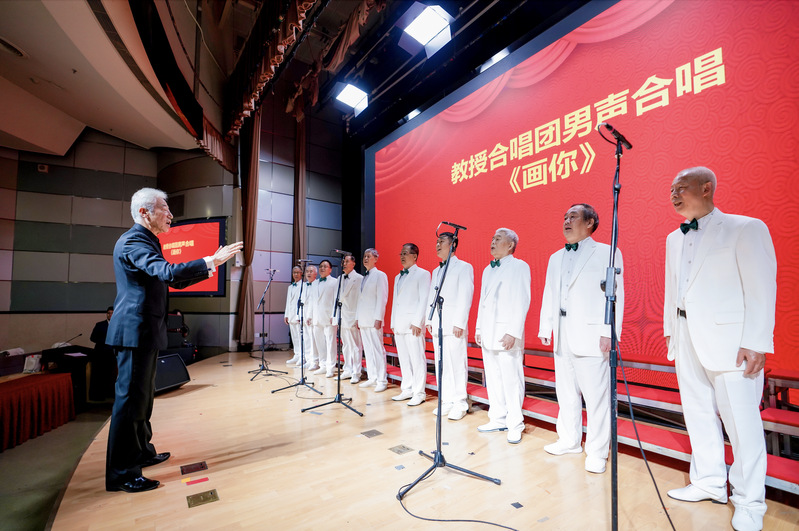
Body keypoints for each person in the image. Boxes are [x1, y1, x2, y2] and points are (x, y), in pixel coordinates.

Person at [105, 188, 242, 493]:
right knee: (129, 404)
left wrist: (212, 265)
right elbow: (167, 273)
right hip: (134, 333)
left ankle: (142, 452)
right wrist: (210, 259)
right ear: (144, 212)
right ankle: (122, 474)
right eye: (164, 209)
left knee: (143, 400)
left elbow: (174, 281)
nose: (170, 215)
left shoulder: (146, 241)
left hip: (144, 332)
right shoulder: (133, 241)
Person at [663, 167, 776, 531]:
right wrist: (671, 332)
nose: (674, 194)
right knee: (697, 413)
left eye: (682, 187)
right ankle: (708, 482)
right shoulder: (674, 238)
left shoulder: (745, 228)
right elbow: (673, 288)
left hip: (731, 343)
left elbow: (761, 287)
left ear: (706, 188)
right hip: (686, 337)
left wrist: (757, 342)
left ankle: (749, 501)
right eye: (672, 190)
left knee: (742, 424)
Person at [538, 204, 624, 474]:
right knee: (565, 392)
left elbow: (615, 296)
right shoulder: (555, 257)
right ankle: (569, 439)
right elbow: (549, 292)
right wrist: (546, 327)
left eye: (573, 217)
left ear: (590, 223)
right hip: (562, 332)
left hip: (591, 334)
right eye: (565, 217)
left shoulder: (607, 252)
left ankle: (597, 451)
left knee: (596, 397)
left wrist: (609, 331)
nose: (566, 221)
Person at [475, 228, 531, 444]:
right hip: (488, 332)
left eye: (498, 239)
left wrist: (513, 332)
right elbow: (482, 302)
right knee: (493, 378)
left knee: (511, 380)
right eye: (492, 238)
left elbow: (522, 300)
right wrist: (479, 328)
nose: (493, 241)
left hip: (507, 333)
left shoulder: (519, 266)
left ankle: (515, 423)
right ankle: (498, 418)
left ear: (510, 245)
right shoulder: (487, 270)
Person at [426, 232, 474, 420]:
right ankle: (446, 400)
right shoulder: (436, 271)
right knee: (441, 364)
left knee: (457, 364)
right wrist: (429, 319)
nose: (437, 245)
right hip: (439, 322)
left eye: (441, 242)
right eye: (436, 242)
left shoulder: (464, 267)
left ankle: (460, 402)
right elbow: (432, 296)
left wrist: (460, 322)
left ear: (453, 244)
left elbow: (465, 295)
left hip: (454, 324)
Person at [390, 244, 430, 406]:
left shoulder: (423, 274)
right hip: (399, 324)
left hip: (413, 325)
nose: (402, 256)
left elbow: (424, 298)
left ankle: (419, 392)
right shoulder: (397, 277)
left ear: (414, 256)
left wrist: (417, 322)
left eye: (405, 253)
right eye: (401, 253)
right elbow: (395, 301)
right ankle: (407, 389)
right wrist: (393, 322)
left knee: (417, 359)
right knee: (404, 359)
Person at [356, 248, 389, 393]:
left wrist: (378, 318)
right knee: (368, 350)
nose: (366, 258)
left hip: (373, 319)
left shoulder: (380, 275)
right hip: (364, 319)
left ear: (376, 259)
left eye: (369, 256)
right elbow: (361, 300)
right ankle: (372, 377)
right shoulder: (364, 277)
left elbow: (382, 298)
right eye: (364, 256)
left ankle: (382, 380)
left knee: (377, 349)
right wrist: (358, 318)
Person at [336, 254, 364, 383]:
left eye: (347, 261)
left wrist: (358, 317)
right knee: (346, 345)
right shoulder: (340, 278)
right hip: (342, 316)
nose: (344, 263)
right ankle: (347, 369)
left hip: (353, 316)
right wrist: (335, 316)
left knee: (355, 346)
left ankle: (356, 372)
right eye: (343, 261)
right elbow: (336, 298)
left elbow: (361, 299)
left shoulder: (359, 278)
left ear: (353, 264)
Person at [310, 260, 338, 378]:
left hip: (328, 317)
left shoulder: (335, 282)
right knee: (320, 343)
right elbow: (312, 301)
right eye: (321, 266)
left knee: (330, 344)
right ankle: (323, 365)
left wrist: (334, 316)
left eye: (325, 266)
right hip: (317, 318)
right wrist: (310, 316)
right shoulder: (315, 283)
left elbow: (336, 300)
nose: (322, 268)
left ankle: (331, 367)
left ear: (330, 269)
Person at [89, 306, 116, 400]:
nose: (110, 315)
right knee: (99, 375)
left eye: (112, 313)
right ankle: (99, 396)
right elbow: (92, 338)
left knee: (111, 375)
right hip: (100, 354)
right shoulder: (100, 325)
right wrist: (105, 341)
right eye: (108, 313)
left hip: (112, 354)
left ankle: (110, 394)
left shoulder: (118, 325)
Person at [299, 265, 319, 371]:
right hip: (304, 314)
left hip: (313, 316)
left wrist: (310, 316)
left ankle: (315, 361)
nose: (309, 273)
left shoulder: (318, 284)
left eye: (311, 271)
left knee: (313, 340)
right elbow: (301, 301)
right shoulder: (304, 285)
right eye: (307, 271)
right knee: (306, 339)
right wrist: (300, 315)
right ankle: (308, 359)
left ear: (316, 273)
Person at [285, 266, 304, 366]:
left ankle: (302, 356)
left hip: (298, 316)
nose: (296, 274)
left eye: (297, 272)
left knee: (300, 337)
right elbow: (288, 302)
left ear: (301, 273)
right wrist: (286, 314)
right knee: (294, 337)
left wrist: (300, 315)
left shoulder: (304, 286)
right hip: (291, 315)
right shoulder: (290, 287)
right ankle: (296, 355)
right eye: (294, 272)